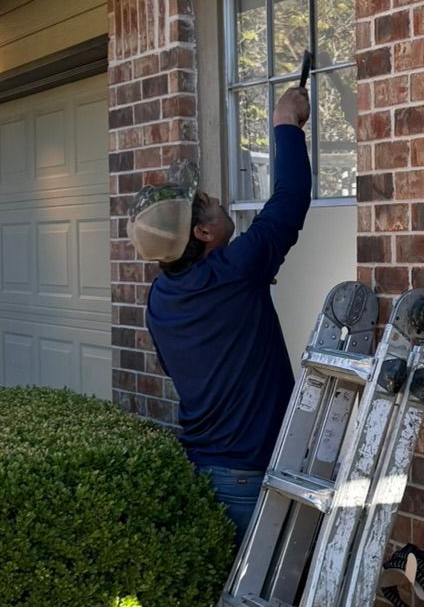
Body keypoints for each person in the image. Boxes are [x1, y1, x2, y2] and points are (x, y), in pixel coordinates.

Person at [129, 87, 312, 535]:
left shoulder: (160, 296)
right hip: (251, 475)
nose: (217, 199)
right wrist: (285, 122)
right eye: (208, 202)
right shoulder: (234, 272)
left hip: (206, 467)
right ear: (204, 233)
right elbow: (289, 199)